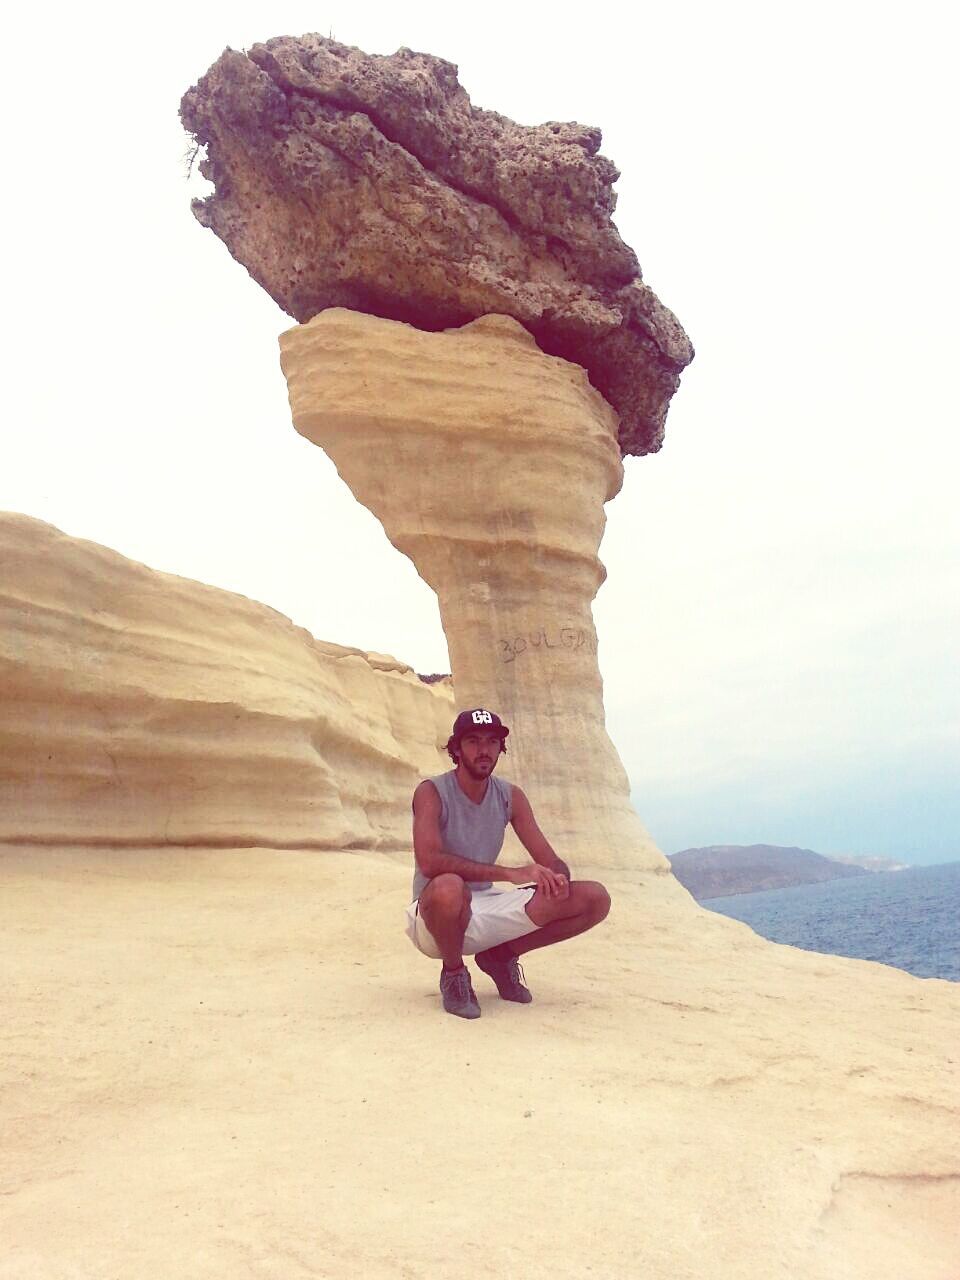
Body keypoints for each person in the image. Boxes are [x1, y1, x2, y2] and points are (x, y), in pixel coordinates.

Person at [405, 707, 611, 1018]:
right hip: (435, 920)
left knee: (594, 898)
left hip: (485, 907)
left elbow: (550, 859)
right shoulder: (431, 792)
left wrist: (558, 879)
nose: (483, 750)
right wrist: (509, 873)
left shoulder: (510, 796)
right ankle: (454, 974)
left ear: (500, 747)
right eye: (473, 741)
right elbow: (430, 862)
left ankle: (500, 957)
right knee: (450, 886)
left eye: (491, 742)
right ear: (456, 749)